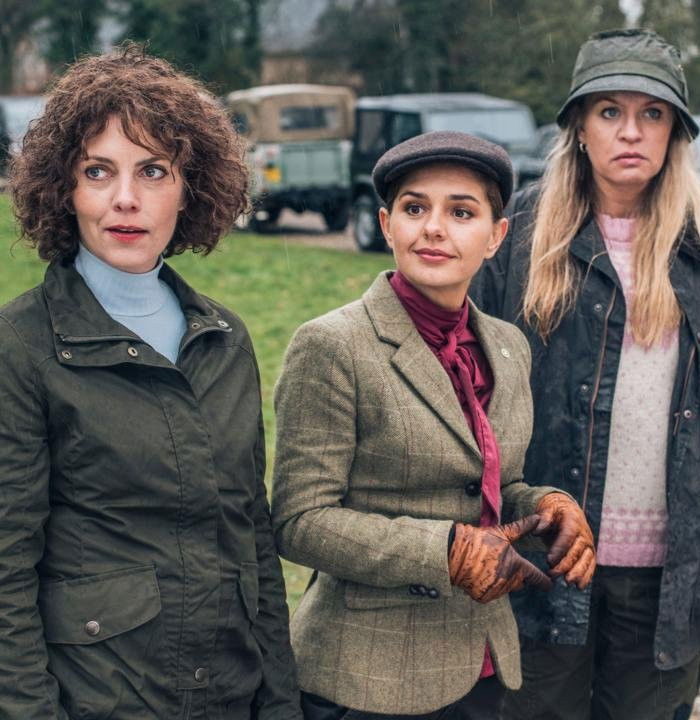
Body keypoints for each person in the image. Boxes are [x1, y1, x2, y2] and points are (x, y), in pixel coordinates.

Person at [0, 47, 300, 719]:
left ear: (190, 188)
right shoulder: (13, 348)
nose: (125, 199)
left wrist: (280, 703)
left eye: (153, 171)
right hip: (100, 701)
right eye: (98, 171)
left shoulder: (225, 338)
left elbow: (252, 536)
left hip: (232, 695)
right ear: (64, 189)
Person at [471, 29, 700, 720]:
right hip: (540, 557)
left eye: (653, 113)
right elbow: (466, 391)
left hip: (668, 571)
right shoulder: (517, 233)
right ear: (579, 127)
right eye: (610, 111)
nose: (631, 131)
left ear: (675, 131)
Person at [271, 131, 597, 720]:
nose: (434, 228)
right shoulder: (332, 345)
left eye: (461, 212)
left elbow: (493, 486)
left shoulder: (508, 346)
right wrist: (445, 550)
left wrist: (548, 506)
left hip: (483, 663)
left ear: (496, 236)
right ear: (386, 224)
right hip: (368, 676)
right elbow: (300, 521)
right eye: (415, 208)